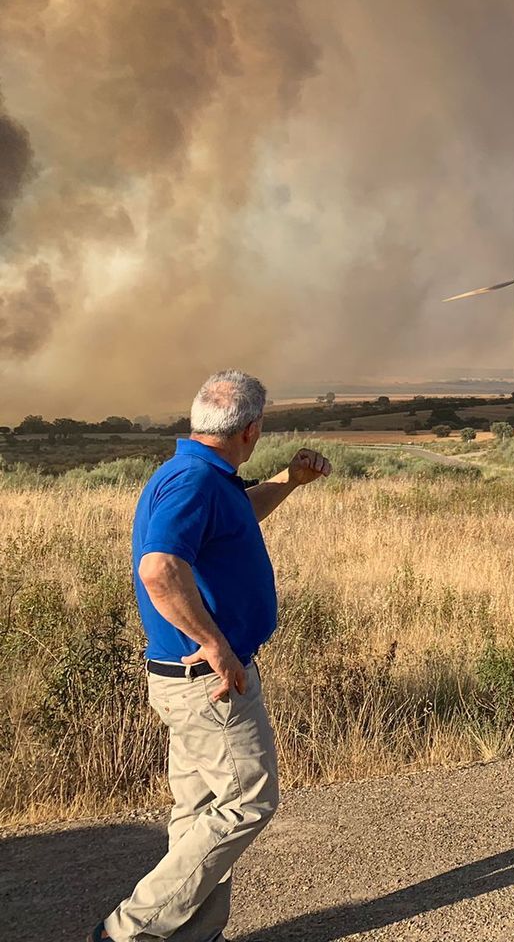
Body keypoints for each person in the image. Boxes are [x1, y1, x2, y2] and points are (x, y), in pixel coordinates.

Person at [95, 371, 331, 942]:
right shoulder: (194, 484)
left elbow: (240, 513)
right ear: (252, 430)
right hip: (208, 680)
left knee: (200, 812)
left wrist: (291, 481)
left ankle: (187, 934)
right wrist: (215, 646)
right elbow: (159, 568)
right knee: (250, 798)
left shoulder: (199, 475)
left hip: (185, 677)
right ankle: (132, 931)